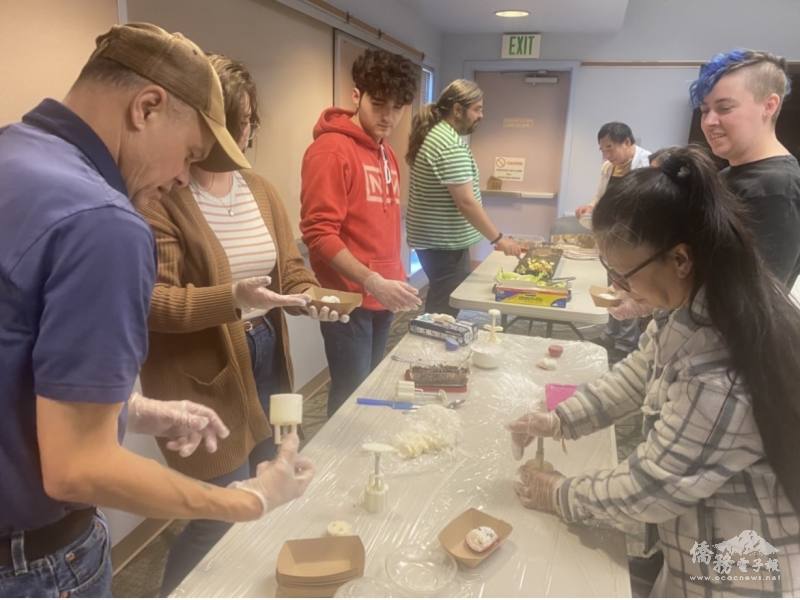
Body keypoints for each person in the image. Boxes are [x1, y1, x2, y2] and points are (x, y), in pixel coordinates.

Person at [0, 24, 314, 597]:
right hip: (32, 563)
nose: (181, 178)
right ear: (147, 107)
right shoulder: (104, 222)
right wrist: (249, 499)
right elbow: (78, 467)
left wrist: (135, 411)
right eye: (189, 154)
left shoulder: (14, 152)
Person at [507, 146, 800, 596]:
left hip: (739, 571)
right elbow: (641, 371)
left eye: (624, 275)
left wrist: (560, 493)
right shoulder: (704, 296)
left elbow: (650, 487)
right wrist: (561, 418)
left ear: (680, 259)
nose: (618, 286)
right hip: (697, 535)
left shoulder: (720, 369)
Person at [135, 54, 341, 594]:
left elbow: (290, 271)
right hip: (204, 373)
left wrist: (310, 298)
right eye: (228, 122)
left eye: (246, 121)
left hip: (265, 353)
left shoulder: (261, 190)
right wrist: (232, 298)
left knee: (269, 481)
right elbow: (154, 303)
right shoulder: (165, 197)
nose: (239, 135)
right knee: (219, 510)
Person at [300, 49, 421, 416]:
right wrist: (372, 280)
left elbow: (383, 227)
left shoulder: (386, 153)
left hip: (383, 294)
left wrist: (393, 279)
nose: (388, 117)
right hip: (349, 300)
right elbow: (318, 234)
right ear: (357, 96)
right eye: (379, 104)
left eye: (397, 108)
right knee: (349, 400)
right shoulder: (330, 151)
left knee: (370, 391)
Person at [405, 79, 523, 317]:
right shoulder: (449, 145)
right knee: (444, 308)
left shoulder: (438, 135)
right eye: (477, 109)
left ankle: (436, 336)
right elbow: (466, 202)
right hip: (443, 245)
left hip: (437, 242)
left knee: (442, 299)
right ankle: (435, 340)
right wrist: (499, 239)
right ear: (458, 110)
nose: (481, 115)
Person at [691, 48, 800, 288]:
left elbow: (756, 297)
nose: (709, 122)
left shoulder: (776, 189)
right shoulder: (727, 174)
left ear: (769, 106)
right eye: (705, 111)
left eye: (724, 108)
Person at [574, 122, 651, 357]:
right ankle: (610, 334)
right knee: (613, 286)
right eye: (602, 149)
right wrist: (590, 207)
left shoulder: (647, 164)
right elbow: (601, 197)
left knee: (630, 289)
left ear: (627, 142)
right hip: (613, 236)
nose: (606, 154)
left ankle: (625, 344)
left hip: (634, 238)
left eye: (610, 147)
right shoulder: (608, 167)